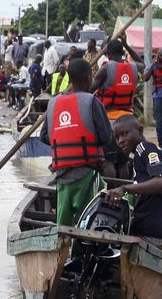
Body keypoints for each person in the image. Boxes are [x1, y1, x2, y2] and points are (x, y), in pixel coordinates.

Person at [39, 59, 114, 226]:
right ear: (89, 77)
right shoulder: (92, 101)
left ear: (69, 78)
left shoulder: (53, 103)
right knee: (88, 219)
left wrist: (65, 137)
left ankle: (62, 245)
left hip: (60, 174)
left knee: (63, 221)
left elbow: (44, 136)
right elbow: (106, 137)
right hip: (87, 172)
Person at [107, 115, 162, 239]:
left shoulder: (143, 148)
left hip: (147, 226)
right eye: (117, 138)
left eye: (125, 134)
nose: (120, 141)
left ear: (140, 130)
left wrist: (124, 188)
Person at [91, 38, 141, 121]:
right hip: (128, 116)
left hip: (108, 117)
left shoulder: (105, 69)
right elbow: (144, 65)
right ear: (122, 53)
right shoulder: (133, 67)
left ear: (108, 54)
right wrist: (126, 45)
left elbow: (88, 91)